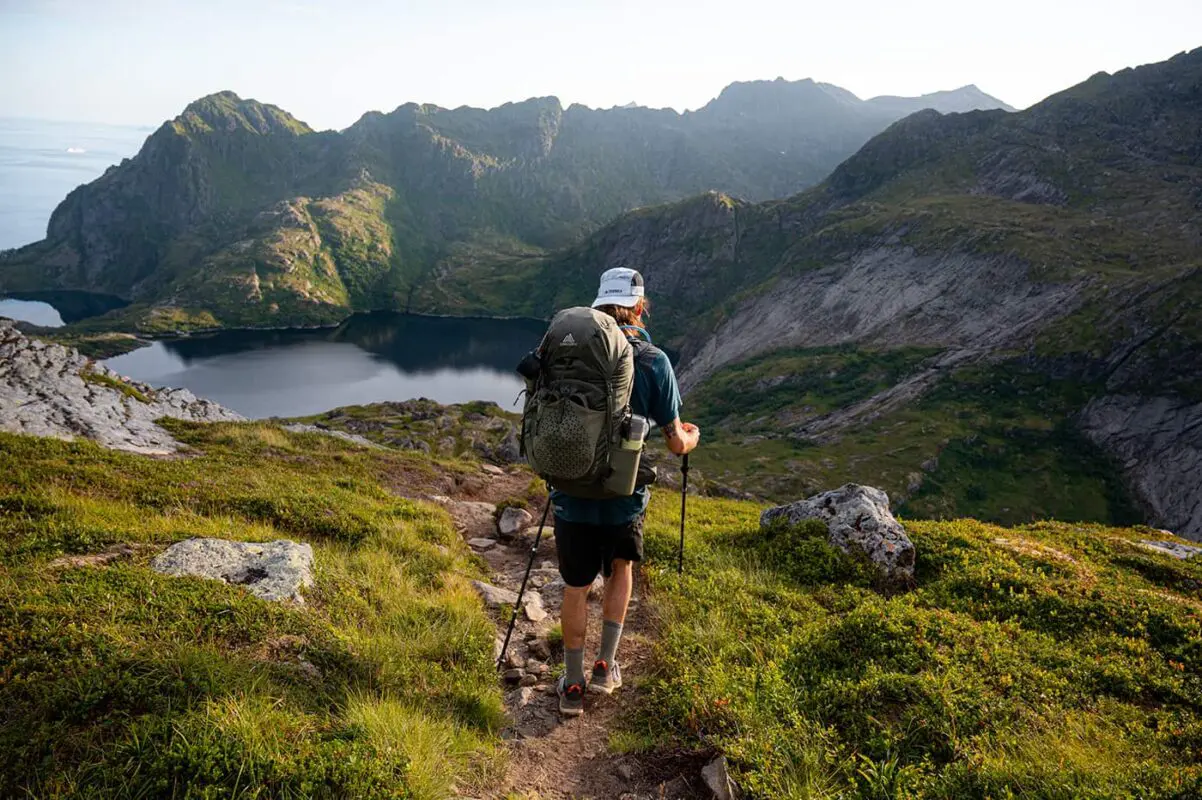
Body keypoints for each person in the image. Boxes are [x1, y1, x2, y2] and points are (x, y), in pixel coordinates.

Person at [554, 267, 701, 717]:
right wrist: (692, 437)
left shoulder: (567, 352)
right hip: (624, 495)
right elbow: (676, 442)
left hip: (572, 491)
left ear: (598, 303)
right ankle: (606, 667)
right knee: (620, 570)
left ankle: (572, 685)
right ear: (639, 306)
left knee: (575, 586)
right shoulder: (654, 360)